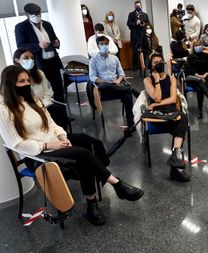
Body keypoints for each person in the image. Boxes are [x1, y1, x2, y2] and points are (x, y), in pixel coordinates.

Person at [0, 65, 144, 226]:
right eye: (21, 81)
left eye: (28, 80)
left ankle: (94, 203)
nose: (27, 84)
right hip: (37, 155)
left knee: (89, 143)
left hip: (55, 144)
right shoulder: (4, 111)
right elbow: (16, 143)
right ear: (10, 84)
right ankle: (115, 185)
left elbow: (52, 124)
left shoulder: (33, 101)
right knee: (83, 155)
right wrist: (48, 144)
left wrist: (62, 136)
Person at [143, 53, 190, 182]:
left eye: (160, 61)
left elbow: (173, 98)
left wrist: (156, 104)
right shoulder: (147, 80)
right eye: (154, 62)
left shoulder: (171, 78)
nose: (157, 64)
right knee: (180, 126)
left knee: (182, 118)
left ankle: (175, 156)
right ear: (150, 66)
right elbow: (156, 97)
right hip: (157, 116)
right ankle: (176, 167)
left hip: (170, 111)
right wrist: (157, 80)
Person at [15, 3, 65, 103]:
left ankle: (62, 111)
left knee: (59, 88)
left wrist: (57, 43)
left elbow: (54, 38)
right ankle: (46, 112)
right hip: (38, 63)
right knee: (43, 89)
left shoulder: (47, 24)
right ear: (26, 14)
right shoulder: (21, 27)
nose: (37, 17)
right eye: (33, 15)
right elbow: (21, 45)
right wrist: (38, 45)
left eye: (38, 14)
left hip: (53, 61)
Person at [13, 48, 69, 131]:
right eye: (26, 58)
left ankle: (63, 136)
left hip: (44, 105)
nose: (30, 60)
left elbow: (47, 91)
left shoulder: (39, 73)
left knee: (59, 111)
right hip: (28, 109)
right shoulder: (14, 78)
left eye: (32, 58)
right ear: (17, 60)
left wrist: (44, 105)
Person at [89, 36, 135, 130]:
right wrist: (103, 81)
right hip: (104, 87)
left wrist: (118, 80)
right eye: (101, 44)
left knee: (127, 94)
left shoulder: (114, 58)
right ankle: (129, 89)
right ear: (98, 46)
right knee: (105, 86)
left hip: (116, 85)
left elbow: (121, 73)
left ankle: (131, 124)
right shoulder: (93, 60)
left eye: (106, 44)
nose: (104, 46)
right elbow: (92, 77)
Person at [184, 40, 208, 119]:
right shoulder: (190, 57)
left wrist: (205, 75)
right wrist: (199, 76)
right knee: (200, 88)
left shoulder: (206, 55)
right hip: (194, 77)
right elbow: (189, 70)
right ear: (193, 47)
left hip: (204, 76)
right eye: (196, 45)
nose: (198, 46)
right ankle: (200, 109)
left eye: (200, 45)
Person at [127, 1, 150, 71]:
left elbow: (148, 24)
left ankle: (144, 66)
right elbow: (128, 24)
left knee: (144, 52)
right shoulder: (131, 14)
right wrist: (135, 23)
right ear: (134, 6)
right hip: (135, 36)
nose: (138, 7)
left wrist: (144, 25)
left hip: (143, 36)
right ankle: (135, 67)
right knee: (135, 52)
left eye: (139, 6)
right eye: (136, 6)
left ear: (141, 6)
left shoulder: (145, 15)